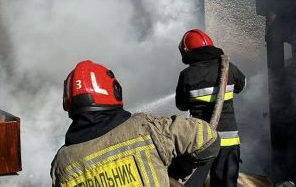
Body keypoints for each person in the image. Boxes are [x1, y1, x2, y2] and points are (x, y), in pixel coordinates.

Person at [51, 60, 221, 187]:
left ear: (68, 103)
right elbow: (208, 139)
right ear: (115, 90)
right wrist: (175, 171)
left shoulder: (62, 164)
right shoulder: (147, 128)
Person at [175, 29, 246, 187]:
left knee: (193, 183)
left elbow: (181, 105)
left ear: (186, 51)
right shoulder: (228, 68)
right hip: (228, 143)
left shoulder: (187, 75)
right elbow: (242, 85)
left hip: (201, 143)